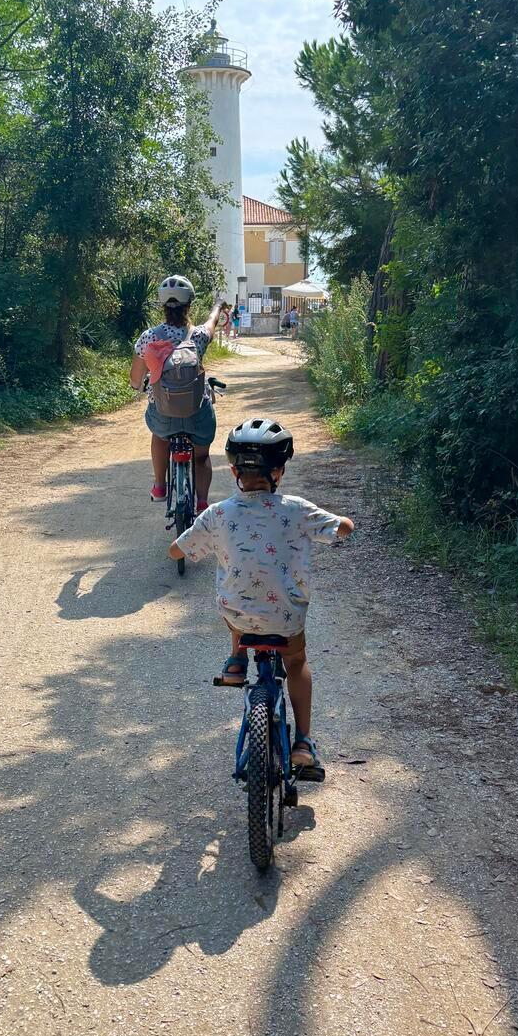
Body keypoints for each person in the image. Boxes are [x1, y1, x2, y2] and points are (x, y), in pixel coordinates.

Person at [168, 417, 354, 777]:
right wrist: (344, 522)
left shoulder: (217, 514)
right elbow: (342, 529)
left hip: (238, 613)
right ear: (279, 471)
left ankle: (237, 660)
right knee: (296, 663)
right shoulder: (297, 509)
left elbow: (176, 551)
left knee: (234, 603)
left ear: (234, 470)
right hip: (286, 618)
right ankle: (303, 743)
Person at [129, 276, 228, 513]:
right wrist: (217, 306)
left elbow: (135, 379)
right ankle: (202, 503)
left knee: (160, 435)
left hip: (163, 413)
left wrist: (139, 386)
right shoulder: (200, 336)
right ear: (189, 304)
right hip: (197, 412)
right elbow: (213, 322)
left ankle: (160, 486)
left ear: (163, 306)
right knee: (201, 455)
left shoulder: (148, 338)